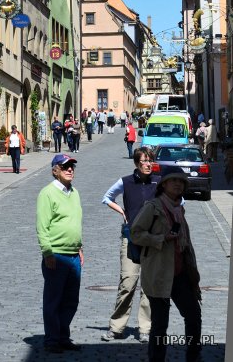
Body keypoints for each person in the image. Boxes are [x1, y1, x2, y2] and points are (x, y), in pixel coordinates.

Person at [131, 166, 202, 362]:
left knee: (194, 316)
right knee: (160, 325)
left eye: (181, 181)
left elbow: (186, 242)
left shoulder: (180, 208)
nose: (178, 184)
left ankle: (194, 356)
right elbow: (136, 234)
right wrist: (160, 238)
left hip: (180, 274)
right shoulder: (153, 207)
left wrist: (193, 273)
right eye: (174, 181)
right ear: (164, 184)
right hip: (159, 273)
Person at [101, 146, 159, 343]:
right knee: (128, 282)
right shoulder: (125, 182)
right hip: (131, 238)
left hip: (152, 240)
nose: (148, 164)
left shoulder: (159, 182)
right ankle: (116, 327)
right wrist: (123, 212)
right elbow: (107, 198)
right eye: (144, 161)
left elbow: (180, 201)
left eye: (150, 160)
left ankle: (145, 328)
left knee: (149, 286)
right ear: (137, 163)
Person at [36, 154, 83, 353]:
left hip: (74, 255)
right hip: (56, 255)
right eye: (65, 167)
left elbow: (74, 223)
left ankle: (63, 336)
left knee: (71, 300)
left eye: (72, 166)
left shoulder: (74, 192)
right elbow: (42, 226)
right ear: (55, 170)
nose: (70, 169)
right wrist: (48, 253)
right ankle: (52, 340)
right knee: (54, 300)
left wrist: (80, 247)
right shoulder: (47, 193)